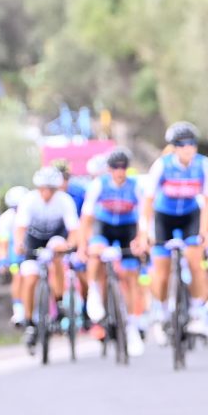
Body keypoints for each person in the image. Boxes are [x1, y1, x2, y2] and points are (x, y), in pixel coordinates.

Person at [136, 121, 208, 344]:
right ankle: (161, 314)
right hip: (164, 217)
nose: (188, 148)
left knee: (194, 260)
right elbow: (148, 201)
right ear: (174, 148)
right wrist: (144, 232)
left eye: (192, 144)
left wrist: (206, 231)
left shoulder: (204, 165)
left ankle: (198, 312)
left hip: (190, 215)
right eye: (181, 144)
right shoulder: (162, 165)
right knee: (160, 272)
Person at [78, 148, 145, 356]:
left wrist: (141, 240)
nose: (119, 171)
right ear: (109, 169)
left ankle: (132, 325)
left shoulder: (135, 187)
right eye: (115, 167)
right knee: (96, 252)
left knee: (132, 276)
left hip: (127, 228)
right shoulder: (99, 185)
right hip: (104, 227)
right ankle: (94, 294)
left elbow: (144, 217)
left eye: (123, 167)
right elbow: (86, 218)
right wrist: (82, 246)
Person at [14, 167, 80, 348]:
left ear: (57, 189)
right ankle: (29, 321)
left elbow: (74, 231)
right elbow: (20, 229)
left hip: (55, 238)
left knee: (58, 253)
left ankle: (58, 303)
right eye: (43, 188)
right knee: (29, 277)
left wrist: (70, 245)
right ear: (38, 188)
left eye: (51, 189)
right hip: (33, 240)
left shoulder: (64, 201)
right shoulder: (29, 200)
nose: (47, 193)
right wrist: (19, 244)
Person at [0, 185, 30, 327]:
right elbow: (2, 244)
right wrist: (2, 259)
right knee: (18, 276)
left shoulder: (32, 213)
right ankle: (19, 311)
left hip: (33, 249)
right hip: (16, 255)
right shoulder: (6, 219)